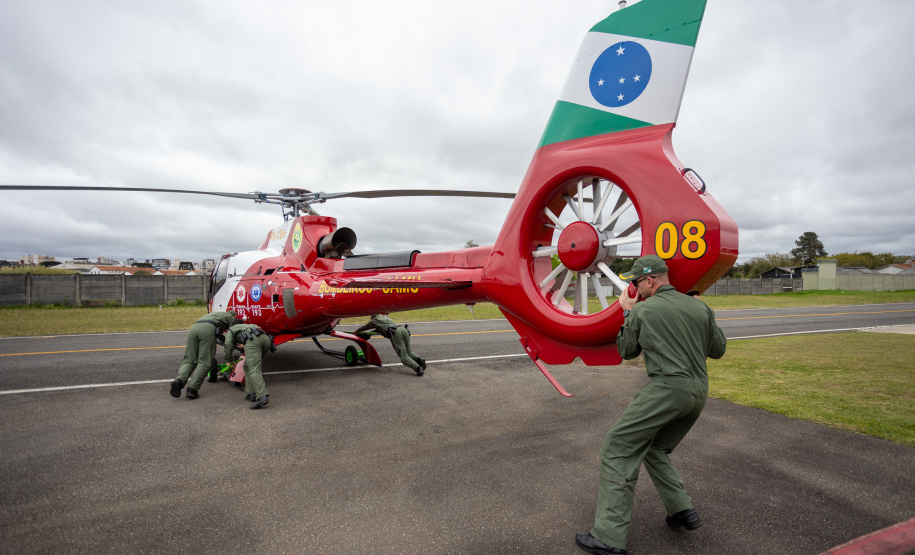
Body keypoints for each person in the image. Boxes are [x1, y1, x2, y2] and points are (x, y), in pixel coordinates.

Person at [575, 255, 727, 555]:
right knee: (654, 447)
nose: (633, 287)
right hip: (699, 392)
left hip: (667, 389)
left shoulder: (643, 310)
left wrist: (629, 314)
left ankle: (608, 536)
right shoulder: (699, 306)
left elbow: (627, 351)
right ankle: (681, 509)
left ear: (650, 280)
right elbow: (718, 349)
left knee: (617, 447)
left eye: (635, 282)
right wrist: (703, 313)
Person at [170, 310, 240, 400]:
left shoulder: (216, 315)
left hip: (194, 328)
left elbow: (219, 334)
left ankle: (179, 381)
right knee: (205, 362)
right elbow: (233, 333)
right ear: (234, 316)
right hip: (207, 329)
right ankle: (192, 390)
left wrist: (224, 340)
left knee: (190, 359)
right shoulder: (231, 317)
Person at [224, 322, 275, 409]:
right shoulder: (248, 326)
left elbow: (228, 344)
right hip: (266, 340)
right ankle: (251, 394)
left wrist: (228, 360)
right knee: (247, 366)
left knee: (253, 368)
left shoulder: (231, 329)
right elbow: (256, 336)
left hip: (253, 341)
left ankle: (261, 396)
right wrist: (245, 346)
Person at [354, 314, 426, 376]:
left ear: (372, 317)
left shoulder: (374, 321)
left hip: (395, 333)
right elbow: (380, 328)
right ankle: (419, 359)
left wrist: (357, 331)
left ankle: (418, 368)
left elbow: (365, 327)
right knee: (409, 351)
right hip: (403, 329)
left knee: (403, 357)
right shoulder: (384, 317)